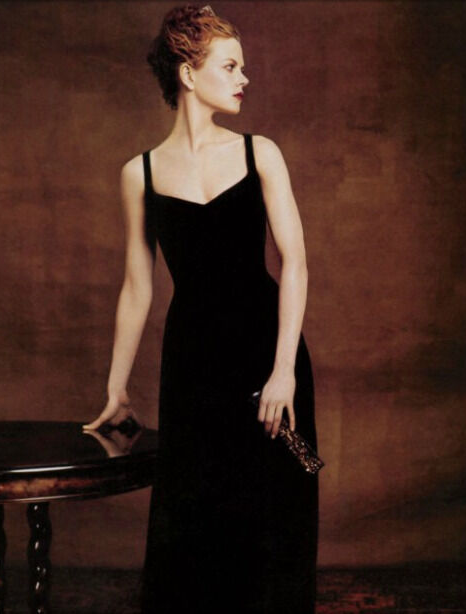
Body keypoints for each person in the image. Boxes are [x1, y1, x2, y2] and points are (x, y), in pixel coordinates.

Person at [83, 4, 319, 613]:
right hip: (192, 365)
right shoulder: (138, 174)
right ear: (189, 74)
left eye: (243, 67)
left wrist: (284, 371)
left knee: (274, 515)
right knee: (195, 521)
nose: (245, 78)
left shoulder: (260, 154)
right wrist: (116, 388)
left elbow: (295, 263)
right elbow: (137, 287)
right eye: (231, 66)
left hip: (268, 354)